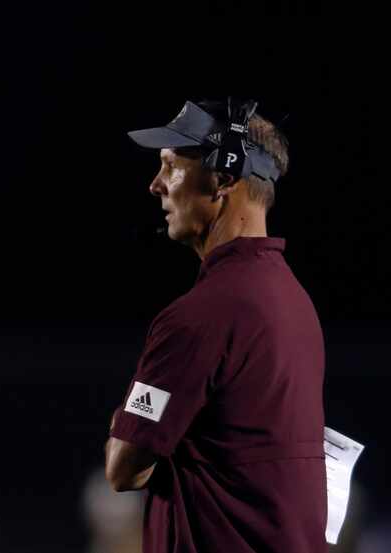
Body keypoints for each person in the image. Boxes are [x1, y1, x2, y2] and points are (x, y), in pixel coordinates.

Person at [104, 99, 327, 553]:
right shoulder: (296, 303)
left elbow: (123, 466)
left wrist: (124, 419)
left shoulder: (203, 315)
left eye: (171, 166)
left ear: (224, 177)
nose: (155, 185)